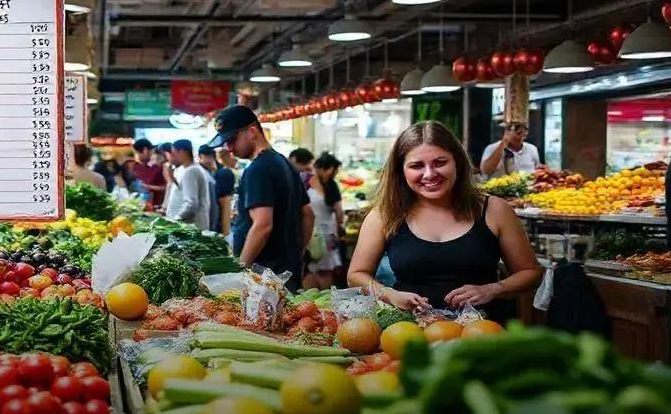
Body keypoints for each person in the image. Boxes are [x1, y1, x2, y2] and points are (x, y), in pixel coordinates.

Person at [347, 121, 542, 323]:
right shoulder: (385, 215)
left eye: (440, 163)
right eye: (416, 166)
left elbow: (531, 273)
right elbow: (356, 274)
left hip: (484, 333)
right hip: (408, 332)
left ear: (457, 162)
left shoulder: (495, 210)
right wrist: (388, 294)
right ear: (401, 170)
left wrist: (492, 289)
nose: (430, 174)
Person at [206, 105, 314, 289]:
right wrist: (298, 253)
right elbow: (308, 214)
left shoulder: (258, 169)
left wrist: (240, 270)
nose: (229, 148)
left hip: (264, 278)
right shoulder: (284, 162)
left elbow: (263, 225)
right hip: (286, 272)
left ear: (252, 131)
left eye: (232, 140)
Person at [304, 152, 344, 289]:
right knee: (324, 270)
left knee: (311, 268)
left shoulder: (306, 183)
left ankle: (314, 298)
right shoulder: (331, 186)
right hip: (324, 234)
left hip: (311, 233)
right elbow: (339, 215)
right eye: (333, 170)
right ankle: (323, 298)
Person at [165, 140, 212, 231]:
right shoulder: (183, 169)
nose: (172, 156)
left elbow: (191, 204)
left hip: (191, 227)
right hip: (184, 225)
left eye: (173, 153)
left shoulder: (191, 171)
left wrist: (175, 220)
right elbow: (181, 190)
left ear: (182, 152)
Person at [130, 138, 167, 210]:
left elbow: (165, 188)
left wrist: (146, 186)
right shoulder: (134, 167)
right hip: (138, 207)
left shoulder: (158, 168)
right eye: (150, 151)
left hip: (154, 208)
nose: (151, 154)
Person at [197, 145, 222, 233]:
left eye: (212, 157)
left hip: (209, 218)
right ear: (200, 156)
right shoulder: (200, 172)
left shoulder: (210, 172)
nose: (210, 159)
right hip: (204, 219)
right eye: (207, 156)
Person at [215, 149, 238, 237]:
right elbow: (225, 202)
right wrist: (226, 232)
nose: (236, 160)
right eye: (233, 156)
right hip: (221, 224)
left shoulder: (216, 171)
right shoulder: (226, 173)